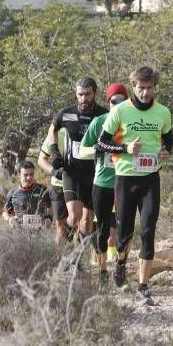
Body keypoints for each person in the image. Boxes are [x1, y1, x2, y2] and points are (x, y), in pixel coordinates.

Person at [96, 67, 173, 305]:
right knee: (124, 233)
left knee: (149, 229)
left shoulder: (163, 112)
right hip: (126, 178)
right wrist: (125, 149)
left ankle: (143, 285)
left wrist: (165, 152)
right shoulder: (120, 111)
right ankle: (120, 264)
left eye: (149, 88)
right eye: (140, 87)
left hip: (150, 178)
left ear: (154, 88)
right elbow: (101, 143)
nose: (145, 92)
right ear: (133, 86)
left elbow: (169, 140)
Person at [48, 77, 109, 241]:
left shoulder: (104, 115)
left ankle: (78, 255)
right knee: (73, 217)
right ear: (76, 94)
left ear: (95, 93)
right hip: (72, 172)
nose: (84, 99)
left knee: (87, 221)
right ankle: (66, 253)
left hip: (94, 173)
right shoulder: (67, 114)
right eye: (80, 94)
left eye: (88, 94)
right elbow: (52, 129)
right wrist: (54, 151)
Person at [80, 82, 127, 287]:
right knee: (103, 231)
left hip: (126, 181)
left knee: (124, 231)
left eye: (123, 101)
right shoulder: (99, 122)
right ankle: (101, 272)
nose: (118, 104)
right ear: (108, 103)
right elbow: (82, 150)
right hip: (102, 182)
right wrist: (98, 150)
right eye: (114, 101)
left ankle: (121, 269)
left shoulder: (131, 121)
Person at [38, 124, 70, 243]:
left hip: (80, 183)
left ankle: (78, 257)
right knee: (61, 226)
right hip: (59, 184)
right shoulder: (57, 132)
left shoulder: (85, 127)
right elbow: (41, 159)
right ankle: (60, 259)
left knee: (80, 223)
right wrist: (54, 172)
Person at [2, 161, 52, 229]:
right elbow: (5, 213)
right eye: (25, 175)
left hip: (41, 231)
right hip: (21, 233)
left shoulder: (42, 189)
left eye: (31, 174)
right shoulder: (13, 193)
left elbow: (50, 206)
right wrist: (9, 219)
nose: (29, 177)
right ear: (19, 175)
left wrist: (49, 218)